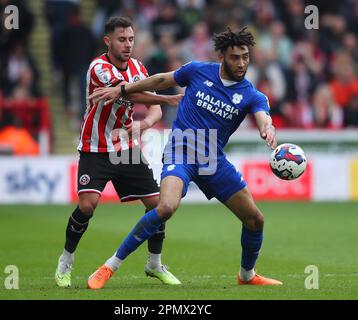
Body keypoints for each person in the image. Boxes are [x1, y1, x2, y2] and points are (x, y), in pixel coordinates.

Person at [87, 27, 283, 289]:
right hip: (180, 151)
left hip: (212, 161)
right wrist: (123, 89)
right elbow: (160, 81)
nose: (242, 63)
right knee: (166, 207)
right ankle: (109, 266)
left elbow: (263, 117)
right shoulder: (198, 70)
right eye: (235, 57)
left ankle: (247, 275)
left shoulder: (251, 94)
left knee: (255, 220)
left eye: (245, 57)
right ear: (223, 56)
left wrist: (267, 129)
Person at [54, 16, 182, 288]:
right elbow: (128, 95)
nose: (128, 45)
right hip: (95, 148)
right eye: (122, 39)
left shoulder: (138, 67)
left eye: (131, 39)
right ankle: (66, 260)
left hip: (125, 149)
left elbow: (153, 112)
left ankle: (155, 264)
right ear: (108, 41)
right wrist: (167, 98)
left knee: (159, 207)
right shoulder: (98, 68)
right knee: (87, 206)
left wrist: (145, 124)